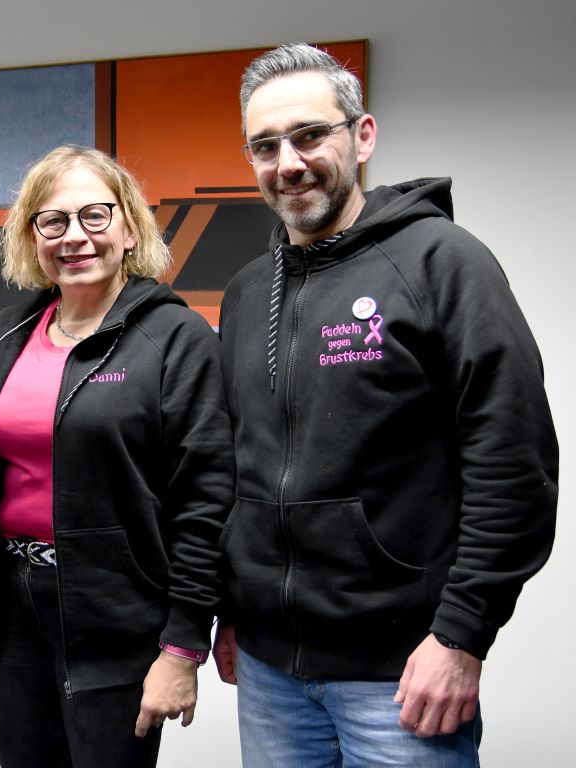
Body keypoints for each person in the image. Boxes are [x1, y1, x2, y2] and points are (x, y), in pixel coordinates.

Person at [214, 43, 558, 767]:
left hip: (402, 672)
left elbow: (513, 462)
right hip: (271, 672)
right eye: (265, 145)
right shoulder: (247, 292)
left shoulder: (443, 262)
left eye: (311, 136)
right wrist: (234, 611)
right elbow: (236, 465)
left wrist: (462, 635)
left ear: (362, 135)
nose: (289, 162)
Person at [0, 145, 235, 767]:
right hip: (11, 615)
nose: (74, 237)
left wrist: (184, 646)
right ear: (32, 238)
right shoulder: (3, 338)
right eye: (52, 221)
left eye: (95, 217)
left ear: (130, 227)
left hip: (119, 623)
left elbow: (205, 504)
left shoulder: (176, 339)